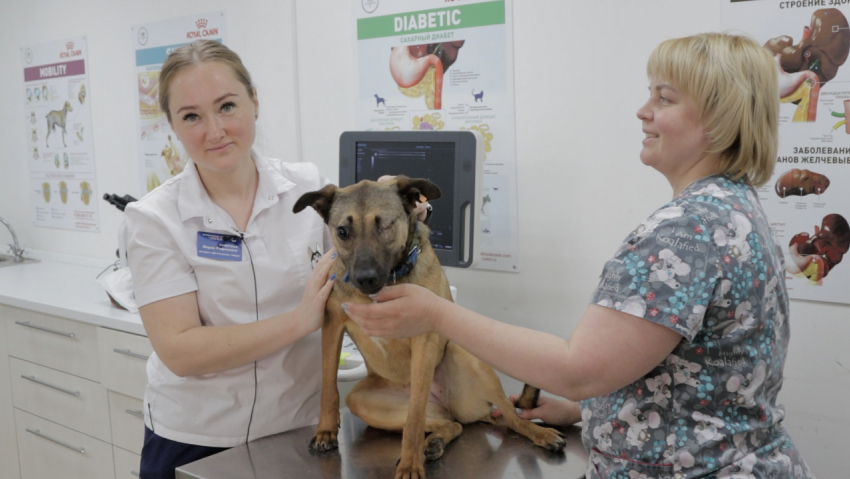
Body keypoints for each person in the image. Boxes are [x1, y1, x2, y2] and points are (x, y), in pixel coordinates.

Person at [342, 33, 816, 478]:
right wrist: (589, 410)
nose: (642, 111)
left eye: (664, 99)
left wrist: (437, 315)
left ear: (719, 120)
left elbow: (577, 369)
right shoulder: (737, 209)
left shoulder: (686, 231)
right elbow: (683, 371)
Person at [124, 40, 337, 479]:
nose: (215, 131)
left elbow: (363, 262)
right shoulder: (154, 219)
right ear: (172, 126)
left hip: (299, 429)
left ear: (254, 101)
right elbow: (180, 350)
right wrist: (299, 321)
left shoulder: (308, 188)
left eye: (226, 106)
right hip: (196, 440)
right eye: (191, 117)